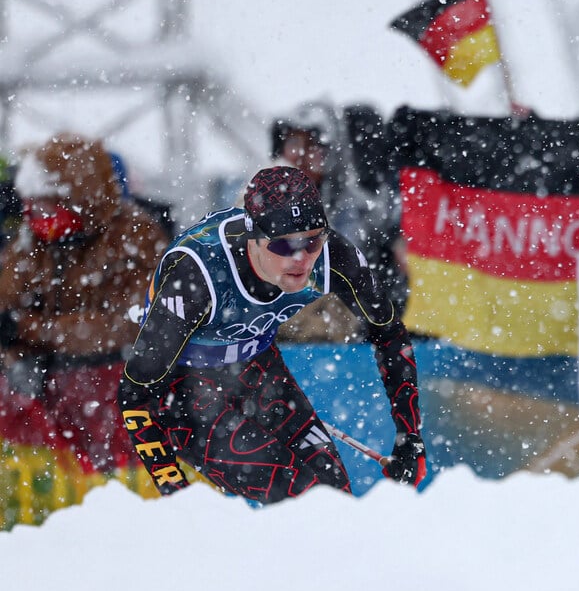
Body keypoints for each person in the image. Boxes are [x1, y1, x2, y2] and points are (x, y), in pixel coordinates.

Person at [117, 166, 426, 503]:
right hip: (187, 388)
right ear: (253, 236)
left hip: (257, 368)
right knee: (298, 497)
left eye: (312, 240)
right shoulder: (198, 275)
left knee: (334, 499)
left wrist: (409, 436)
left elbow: (389, 333)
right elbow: (135, 394)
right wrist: (173, 490)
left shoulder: (333, 256)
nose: (301, 258)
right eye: (284, 245)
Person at [0, 133, 169, 472]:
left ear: (82, 199)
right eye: (32, 208)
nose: (38, 218)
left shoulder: (136, 236)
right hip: (50, 395)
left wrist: (27, 328)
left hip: (117, 392)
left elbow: (123, 325)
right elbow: (7, 297)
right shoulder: (33, 241)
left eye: (49, 208)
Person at [269, 99, 406, 342]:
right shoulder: (260, 200)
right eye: (293, 143)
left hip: (340, 342)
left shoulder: (354, 209)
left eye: (315, 146)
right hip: (282, 337)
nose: (301, 154)